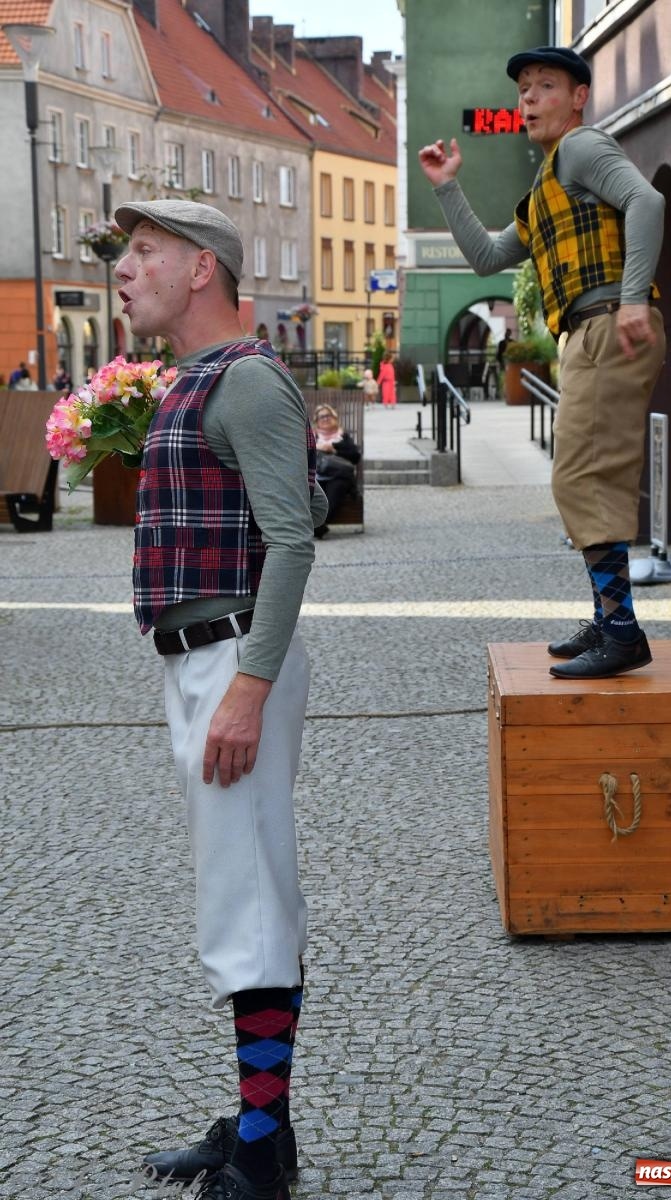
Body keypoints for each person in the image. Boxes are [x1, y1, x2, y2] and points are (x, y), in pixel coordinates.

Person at [113, 197, 329, 1200]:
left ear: (203, 268)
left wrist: (248, 688)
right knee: (239, 892)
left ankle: (260, 1154)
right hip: (207, 657)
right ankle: (258, 1125)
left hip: (235, 658)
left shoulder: (241, 378)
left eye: (145, 251)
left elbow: (292, 542)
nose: (126, 270)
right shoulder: (199, 377)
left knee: (249, 904)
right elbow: (300, 500)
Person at [419, 45, 666, 679]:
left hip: (608, 321)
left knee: (584, 477)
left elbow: (647, 202)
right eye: (523, 88)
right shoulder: (547, 185)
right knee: (580, 476)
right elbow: (486, 258)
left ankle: (621, 630)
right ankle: (609, 619)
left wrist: (634, 300)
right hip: (590, 330)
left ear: (578, 97)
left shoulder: (581, 147)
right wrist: (448, 187)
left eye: (544, 86)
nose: (527, 98)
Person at [312, 404, 361, 538]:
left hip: (338, 476)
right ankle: (318, 526)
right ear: (316, 421)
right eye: (322, 417)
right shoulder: (312, 438)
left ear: (335, 418)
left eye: (328, 415)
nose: (325, 419)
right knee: (312, 493)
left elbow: (355, 457)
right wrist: (318, 448)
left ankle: (318, 526)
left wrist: (334, 450)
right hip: (317, 476)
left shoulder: (342, 437)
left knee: (336, 489)